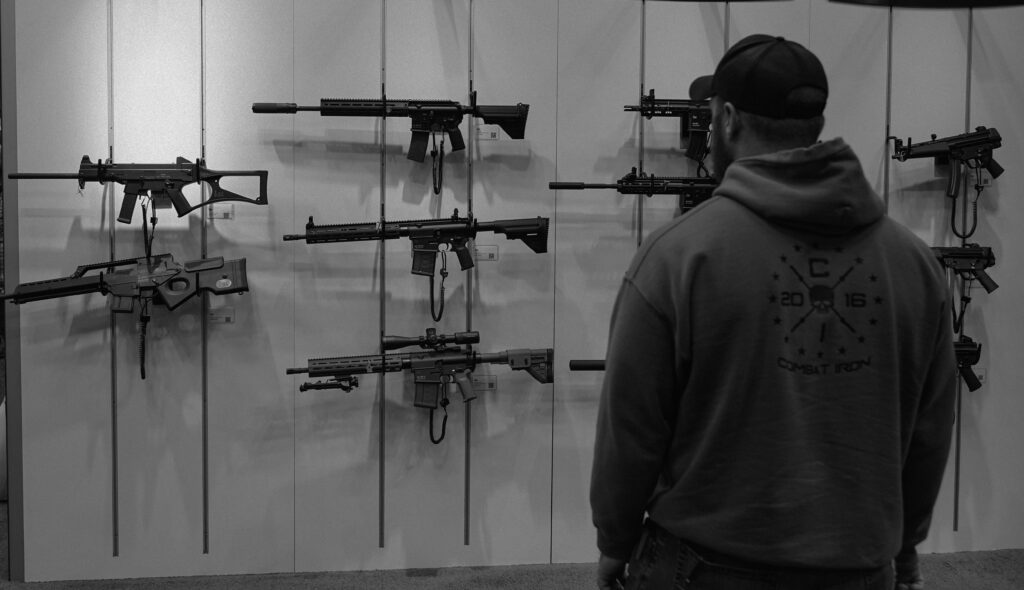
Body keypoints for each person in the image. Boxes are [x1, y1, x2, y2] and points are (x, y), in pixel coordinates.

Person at [590, 34, 956, 590]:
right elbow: (930, 432)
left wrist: (614, 544)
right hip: (857, 568)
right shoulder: (915, 264)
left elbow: (631, 428)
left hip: (704, 569)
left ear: (730, 120)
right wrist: (903, 550)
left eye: (711, 117)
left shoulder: (676, 257)